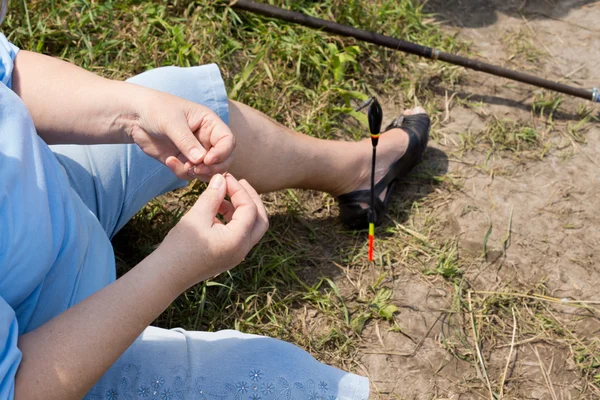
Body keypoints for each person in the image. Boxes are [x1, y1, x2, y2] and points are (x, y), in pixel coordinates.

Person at [0, 3, 430, 399]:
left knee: (186, 97)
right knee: (285, 383)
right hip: (50, 355)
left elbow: (11, 74)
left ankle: (356, 172)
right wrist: (173, 268)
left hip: (51, 197)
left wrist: (135, 111)